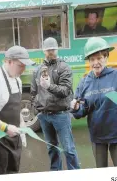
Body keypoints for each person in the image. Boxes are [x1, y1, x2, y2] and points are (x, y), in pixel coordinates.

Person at [70, 37, 117, 168]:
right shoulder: (84, 82)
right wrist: (75, 108)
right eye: (92, 59)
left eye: (99, 58)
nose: (95, 62)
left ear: (106, 57)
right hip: (97, 135)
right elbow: (81, 111)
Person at [0, 45, 35, 175]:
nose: (23, 69)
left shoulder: (17, 81)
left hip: (14, 135)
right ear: (8, 61)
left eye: (25, 66)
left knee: (13, 171)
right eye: (20, 65)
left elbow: (16, 108)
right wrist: (5, 128)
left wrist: (22, 128)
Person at [30, 37, 80, 171]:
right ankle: (55, 172)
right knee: (51, 148)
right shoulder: (37, 70)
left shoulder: (64, 67)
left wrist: (49, 86)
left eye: (53, 49)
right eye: (48, 50)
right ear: (43, 51)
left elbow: (65, 90)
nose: (50, 52)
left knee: (68, 148)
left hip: (61, 115)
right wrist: (37, 109)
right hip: (44, 116)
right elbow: (33, 92)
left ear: (57, 50)